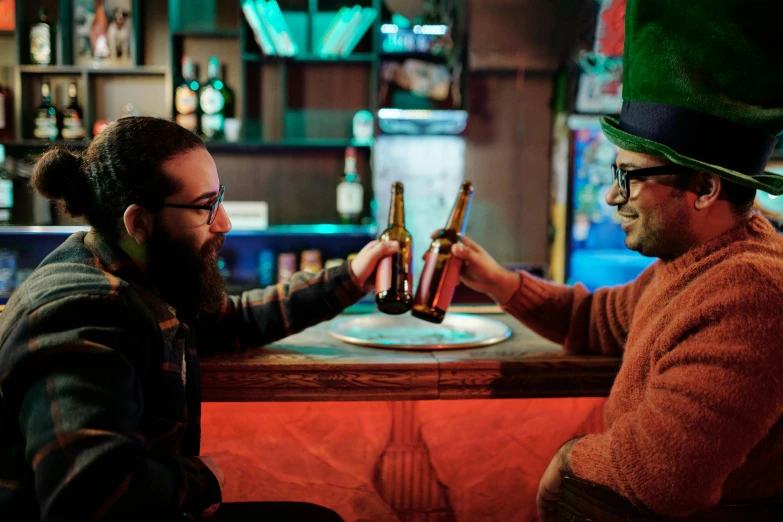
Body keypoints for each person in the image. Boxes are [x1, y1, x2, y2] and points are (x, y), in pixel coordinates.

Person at [443, 1, 783, 520]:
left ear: (705, 189)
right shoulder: (694, 262)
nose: (609, 197)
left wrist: (569, 457)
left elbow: (661, 477)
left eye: (629, 177)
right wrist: (498, 281)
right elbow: (595, 319)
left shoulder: (751, 294)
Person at [0, 116, 398, 521]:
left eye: (219, 198)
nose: (224, 222)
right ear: (139, 222)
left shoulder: (145, 274)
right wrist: (211, 476)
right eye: (205, 207)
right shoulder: (81, 311)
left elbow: (235, 320)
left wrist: (350, 277)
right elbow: (90, 496)